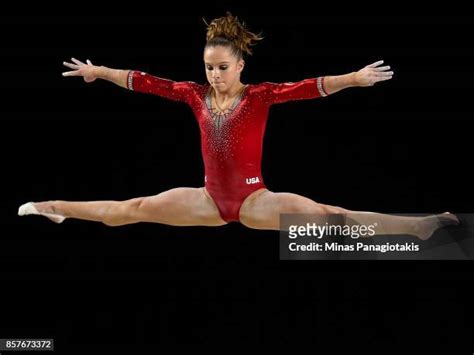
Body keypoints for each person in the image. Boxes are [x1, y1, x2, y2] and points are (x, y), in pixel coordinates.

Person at [18, 13, 458, 240]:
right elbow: (146, 82)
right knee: (129, 211)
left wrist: (355, 79)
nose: (214, 75)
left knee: (330, 217)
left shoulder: (259, 95)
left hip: (254, 200)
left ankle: (418, 227)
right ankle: (54, 206)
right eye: (208, 67)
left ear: (240, 64)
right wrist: (102, 72)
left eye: (222, 67)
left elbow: (308, 87)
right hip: (208, 200)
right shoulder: (195, 94)